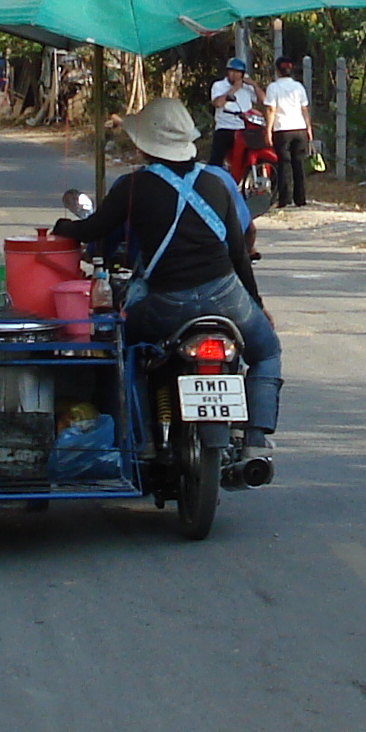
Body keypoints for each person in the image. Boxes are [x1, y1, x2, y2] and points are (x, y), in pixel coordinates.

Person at [54, 98, 282, 463]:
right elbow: (238, 254)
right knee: (266, 352)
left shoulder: (133, 186)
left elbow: (92, 230)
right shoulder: (217, 182)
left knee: (123, 348)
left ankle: (142, 438)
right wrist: (258, 306)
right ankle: (255, 439)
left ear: (145, 144)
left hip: (166, 303)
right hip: (226, 294)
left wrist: (62, 228)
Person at [263, 57, 313, 209]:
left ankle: (285, 198)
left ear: (277, 71)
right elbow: (304, 109)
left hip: (282, 129)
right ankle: (301, 198)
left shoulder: (273, 88)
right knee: (298, 163)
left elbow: (271, 109)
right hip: (299, 128)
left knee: (284, 164)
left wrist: (268, 130)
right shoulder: (298, 87)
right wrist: (308, 127)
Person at [208, 55, 261, 177]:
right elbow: (218, 103)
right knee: (216, 159)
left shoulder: (247, 87)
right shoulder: (219, 86)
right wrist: (234, 89)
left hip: (245, 127)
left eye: (238, 72)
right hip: (225, 127)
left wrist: (254, 85)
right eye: (232, 71)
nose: (235, 75)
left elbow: (263, 100)